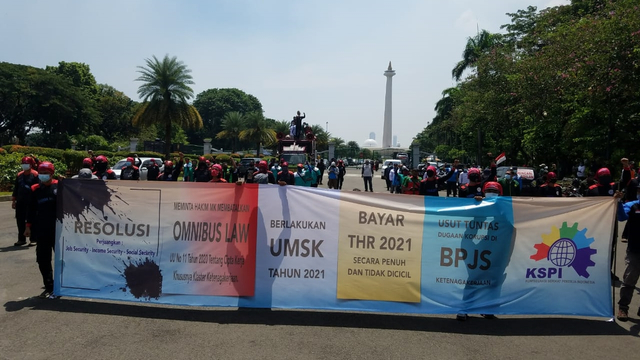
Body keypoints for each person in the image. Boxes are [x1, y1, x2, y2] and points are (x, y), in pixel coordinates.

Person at [24, 162, 58, 299]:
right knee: (43, 259)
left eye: (46, 173)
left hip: (59, 229)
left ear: (52, 174)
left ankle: (63, 284)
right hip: (42, 229)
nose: (43, 176)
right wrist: (28, 227)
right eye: (41, 173)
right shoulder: (35, 189)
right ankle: (50, 286)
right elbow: (31, 209)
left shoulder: (60, 186)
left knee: (62, 259)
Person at [614, 187, 640, 321]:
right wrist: (618, 202)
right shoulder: (632, 205)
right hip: (635, 250)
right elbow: (621, 217)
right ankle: (623, 308)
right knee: (629, 279)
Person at [12, 156, 40, 247]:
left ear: (31, 165)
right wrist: (14, 200)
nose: (24, 165)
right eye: (23, 164)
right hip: (20, 201)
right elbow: (16, 188)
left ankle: (33, 239)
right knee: (20, 220)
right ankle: (21, 239)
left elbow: (38, 188)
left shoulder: (35, 175)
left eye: (26, 164)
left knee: (33, 220)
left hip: (32, 202)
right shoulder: (19, 175)